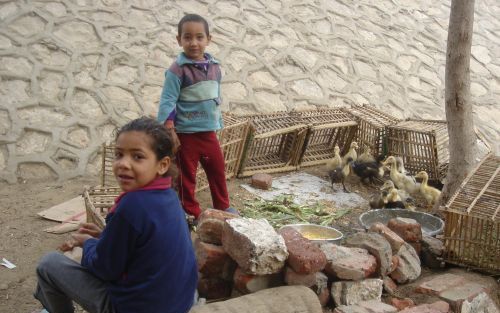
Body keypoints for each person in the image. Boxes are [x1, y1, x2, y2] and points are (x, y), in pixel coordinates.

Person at [34, 117, 198, 313]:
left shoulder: (132, 206)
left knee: (48, 264)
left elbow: (105, 268)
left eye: (137, 157)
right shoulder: (169, 196)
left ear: (162, 165)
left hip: (135, 308)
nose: (124, 164)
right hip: (180, 302)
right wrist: (105, 236)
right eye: (119, 155)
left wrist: (87, 243)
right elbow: (144, 245)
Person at [157, 13, 236, 219]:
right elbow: (168, 100)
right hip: (186, 134)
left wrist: (216, 119)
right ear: (179, 40)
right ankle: (191, 212)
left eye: (199, 37)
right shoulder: (177, 70)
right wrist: (169, 128)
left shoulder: (214, 67)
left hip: (208, 132)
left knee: (217, 170)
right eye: (187, 37)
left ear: (209, 39)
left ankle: (223, 206)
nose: (194, 43)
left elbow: (214, 96)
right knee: (186, 177)